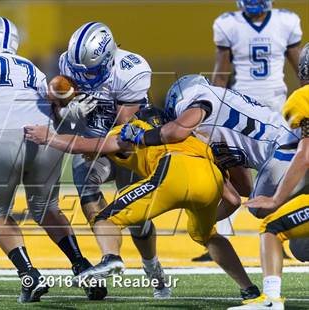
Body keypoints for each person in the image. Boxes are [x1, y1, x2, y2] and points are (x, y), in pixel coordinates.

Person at [0, 17, 106, 303]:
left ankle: (29, 275)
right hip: (44, 134)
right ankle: (82, 265)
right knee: (46, 208)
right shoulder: (29, 66)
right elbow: (54, 107)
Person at [24, 106, 261, 303]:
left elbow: (84, 146)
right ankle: (248, 288)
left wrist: (50, 137)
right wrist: (209, 218)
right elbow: (232, 200)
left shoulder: (135, 129)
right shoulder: (194, 139)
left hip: (171, 173)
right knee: (208, 236)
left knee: (105, 218)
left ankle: (111, 258)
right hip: (209, 178)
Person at [55, 22, 169, 298]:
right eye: (80, 71)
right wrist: (65, 109)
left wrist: (86, 139)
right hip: (91, 145)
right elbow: (57, 96)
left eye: (92, 70)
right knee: (87, 190)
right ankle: (109, 256)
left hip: (126, 148)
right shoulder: (69, 63)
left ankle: (152, 267)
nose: (85, 76)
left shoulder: (131, 70)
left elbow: (121, 130)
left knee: (137, 220)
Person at [227, 43, 309, 310]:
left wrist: (275, 200)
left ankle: (271, 300)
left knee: (272, 227)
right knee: (302, 247)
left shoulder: (304, 98)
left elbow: (305, 155)